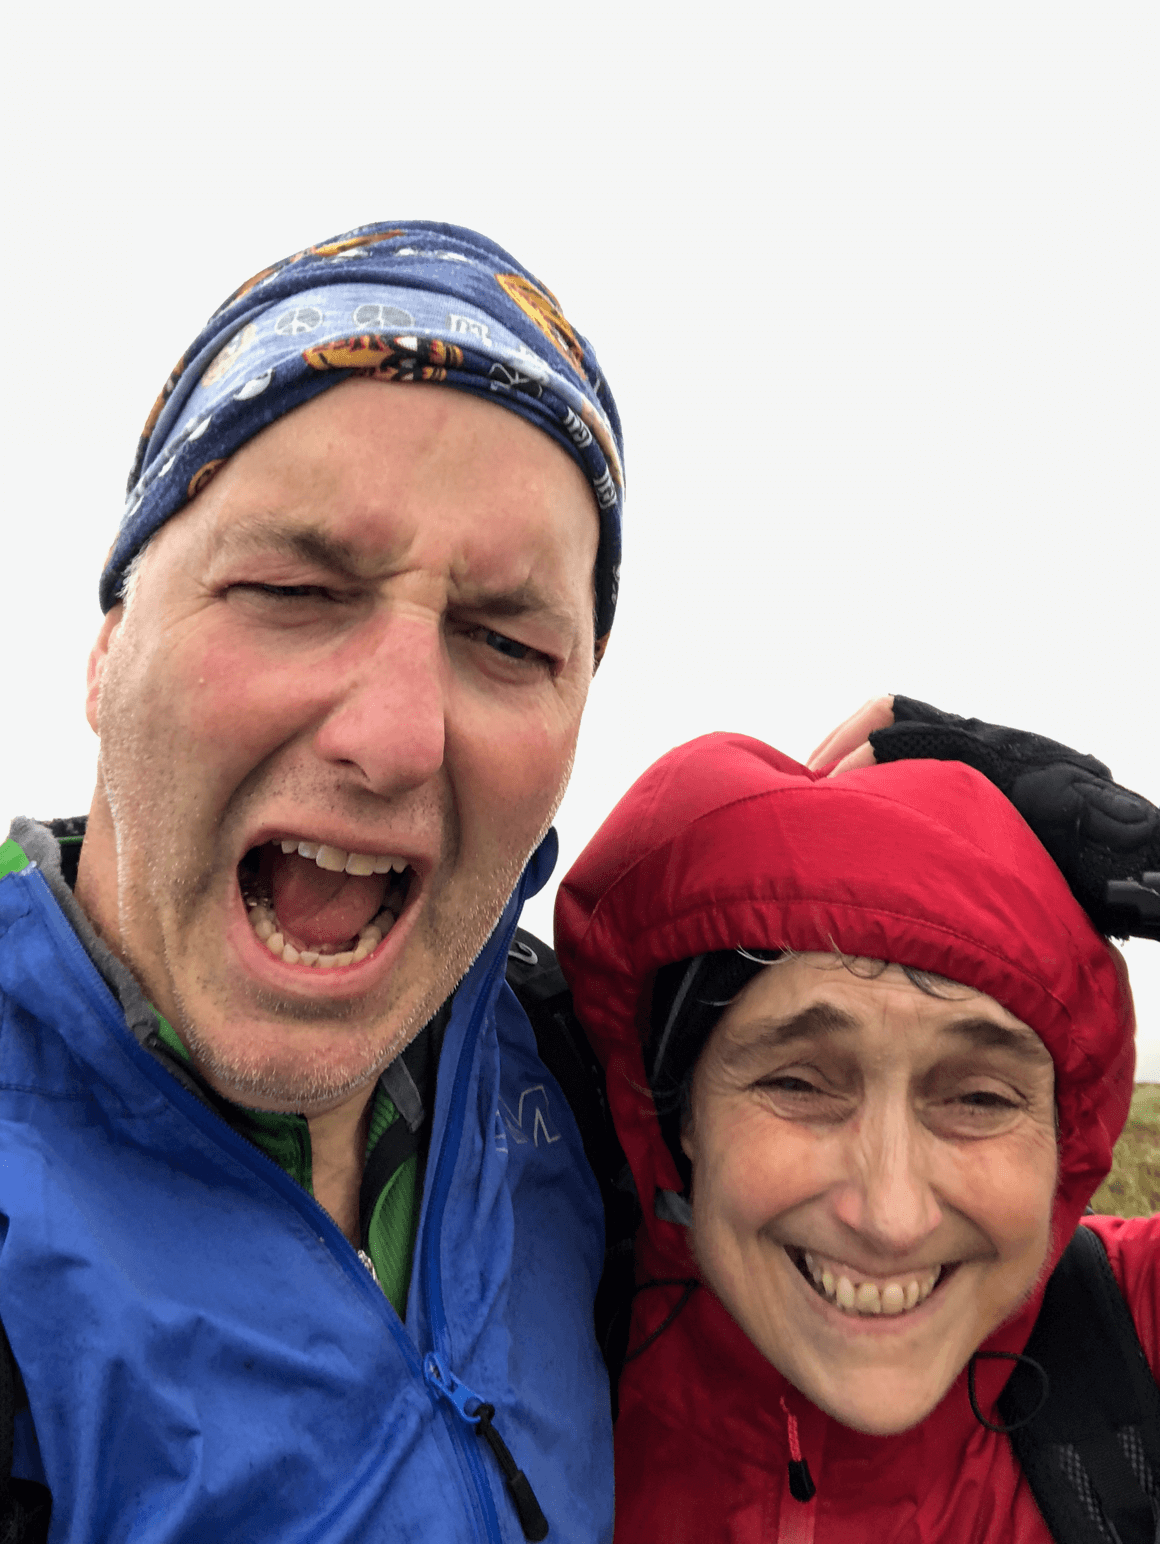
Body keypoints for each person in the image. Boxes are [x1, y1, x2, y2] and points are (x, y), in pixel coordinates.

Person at [0, 221, 626, 1544]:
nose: (397, 735)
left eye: (509, 642)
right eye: (291, 587)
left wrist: (985, 848)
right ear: (107, 657)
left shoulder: (576, 1080)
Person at [554, 731, 1159, 1543]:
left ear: (1065, 1131)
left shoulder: (1135, 1334)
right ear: (679, 1116)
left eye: (978, 1097)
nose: (890, 1216)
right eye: (798, 1083)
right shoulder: (539, 1358)